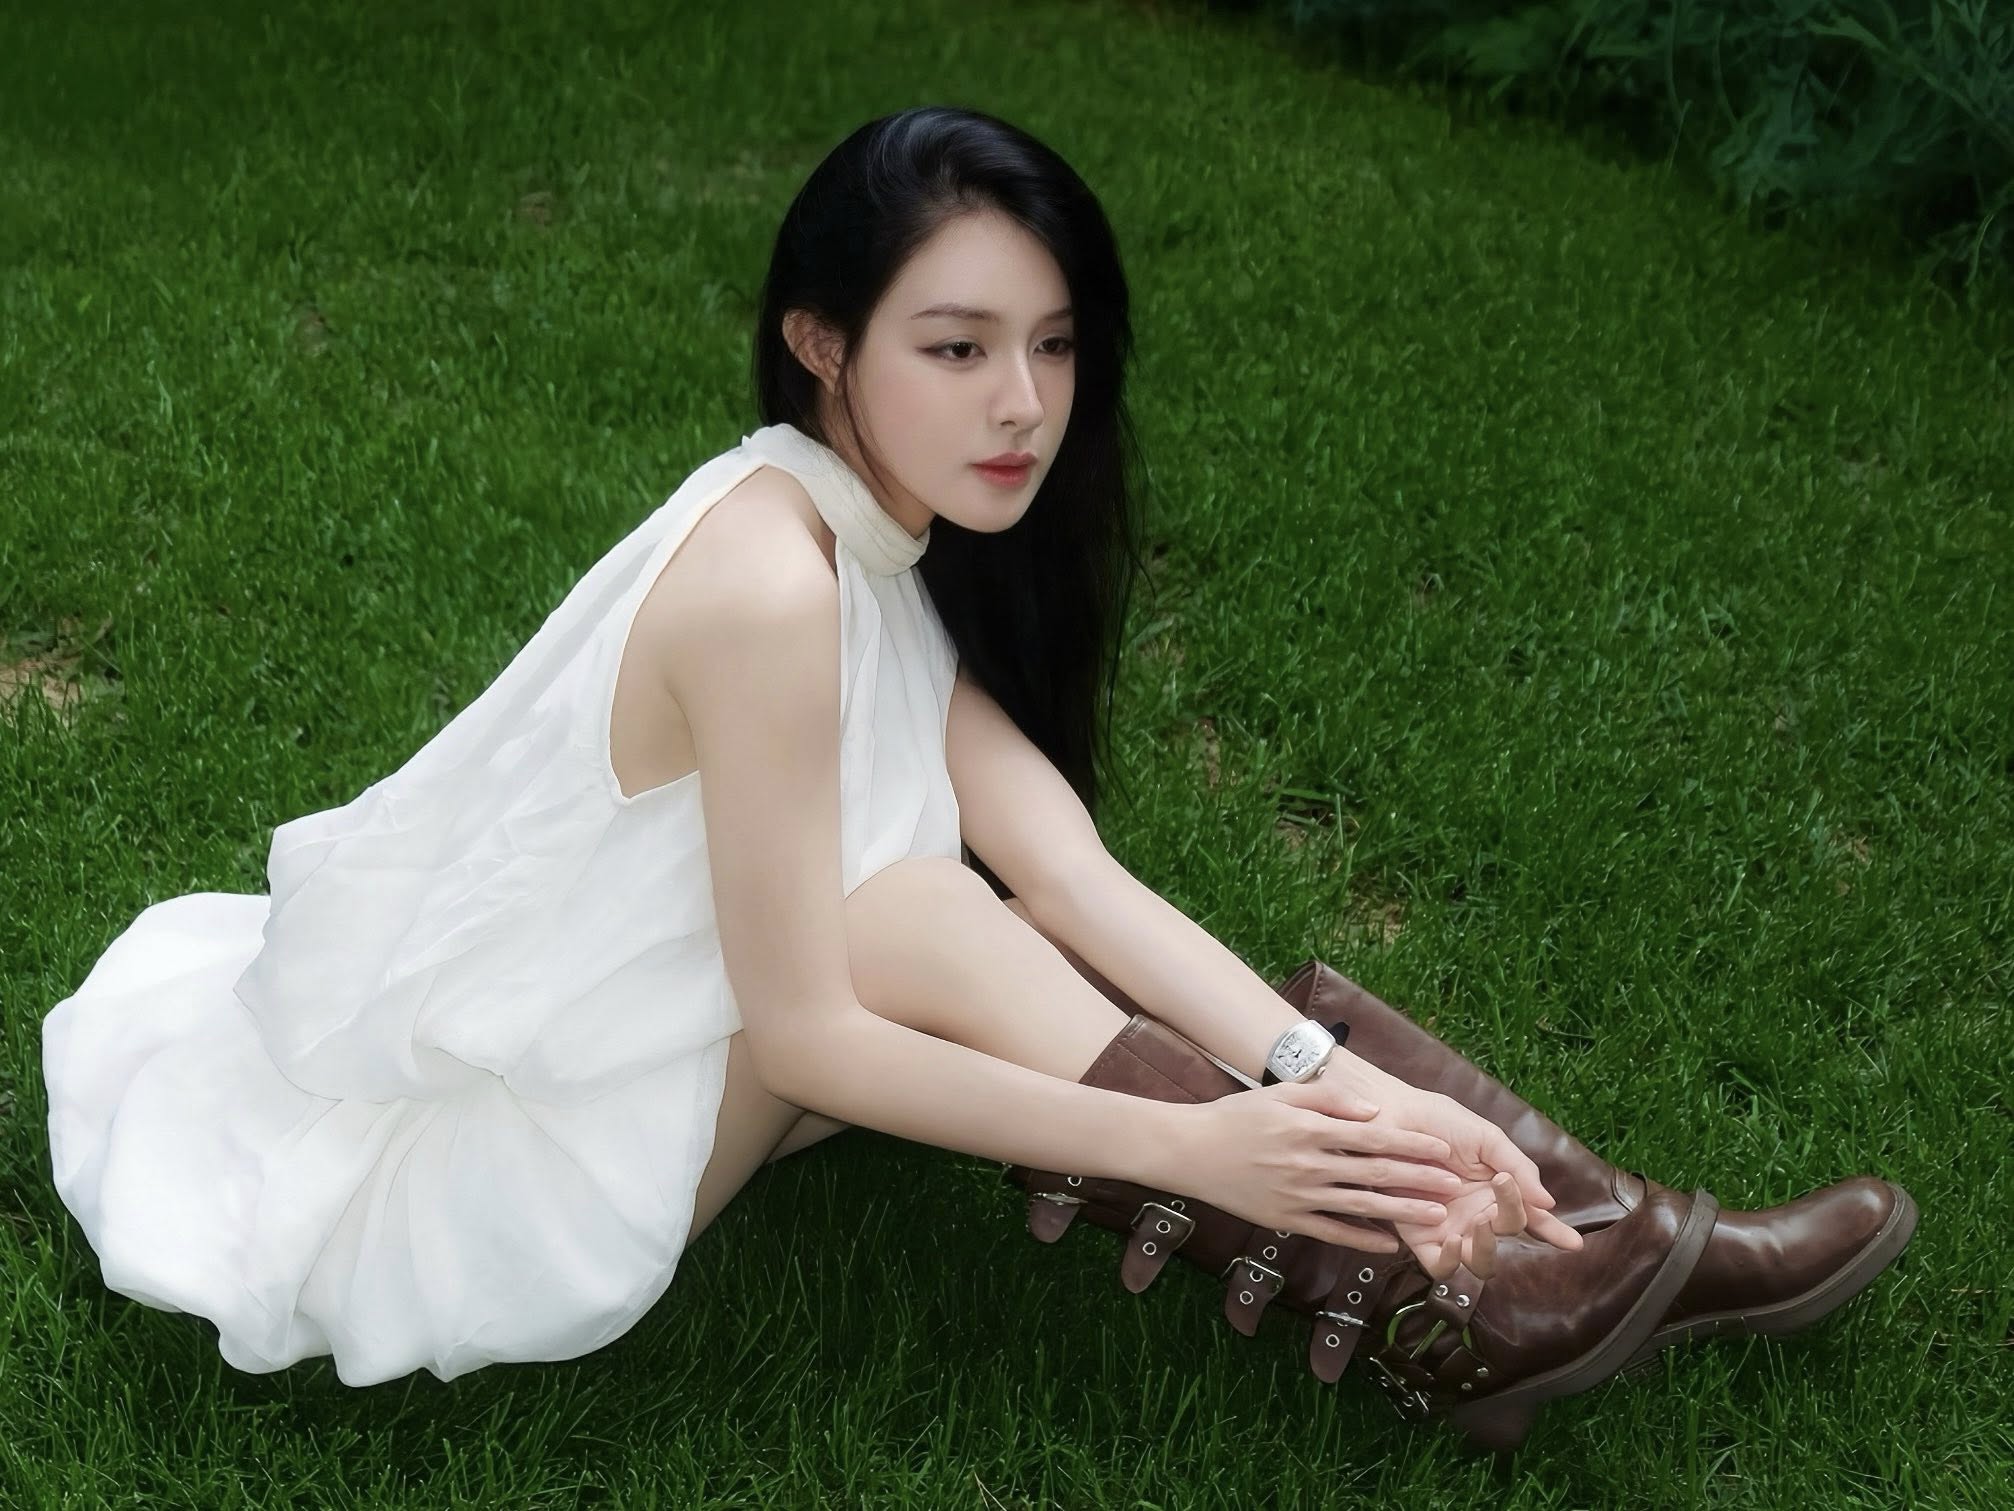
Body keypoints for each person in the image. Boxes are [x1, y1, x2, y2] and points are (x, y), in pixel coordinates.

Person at [40, 107, 1910, 1446]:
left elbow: (1072, 877)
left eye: (1052, 345)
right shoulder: (771, 584)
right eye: (955, 348)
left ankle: (1570, 1223)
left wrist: (1324, 1079)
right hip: (505, 1173)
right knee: (911, 914)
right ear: (821, 344)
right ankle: (1490, 1293)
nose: (1022, 403)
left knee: (945, 904)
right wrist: (1194, 1143)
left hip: (647, 1029)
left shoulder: (868, 529)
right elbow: (811, 1029)